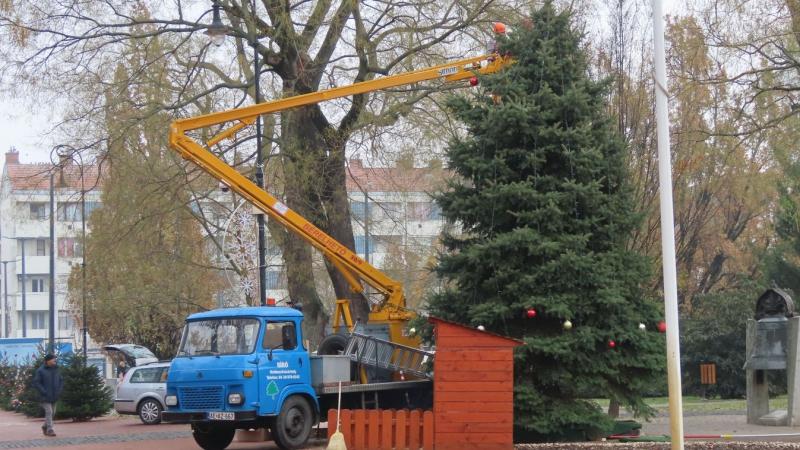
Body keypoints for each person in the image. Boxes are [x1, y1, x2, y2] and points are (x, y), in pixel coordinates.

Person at [33, 353, 63, 437]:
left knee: (53, 413)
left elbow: (61, 380)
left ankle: (44, 426)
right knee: (49, 412)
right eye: (53, 359)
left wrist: (59, 390)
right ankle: (50, 429)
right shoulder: (40, 370)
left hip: (54, 395)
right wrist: (44, 391)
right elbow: (36, 382)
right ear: (48, 360)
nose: (55, 360)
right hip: (44, 396)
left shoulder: (56, 369)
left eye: (55, 359)